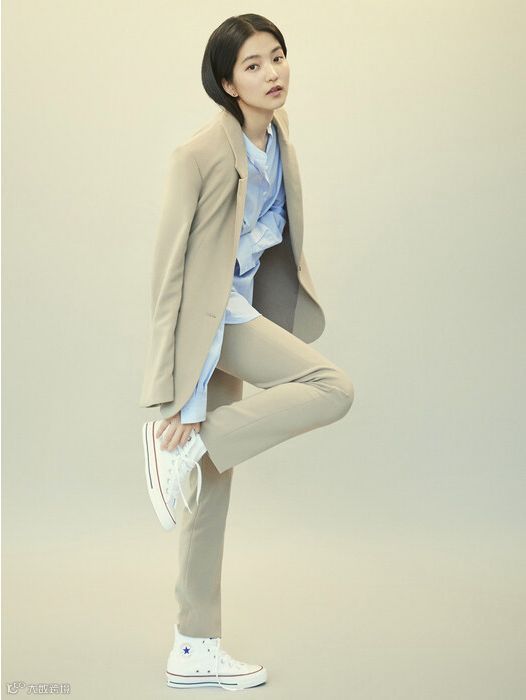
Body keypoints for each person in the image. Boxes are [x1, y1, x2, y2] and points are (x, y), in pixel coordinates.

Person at [140, 13, 355, 692]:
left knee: (211, 491)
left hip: (243, 309)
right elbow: (169, 280)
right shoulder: (197, 155)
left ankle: (193, 645)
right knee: (332, 388)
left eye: (278, 57)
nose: (273, 73)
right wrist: (171, 398)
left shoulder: (278, 135)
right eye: (253, 65)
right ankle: (185, 444)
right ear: (228, 83)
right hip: (211, 321)